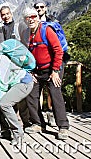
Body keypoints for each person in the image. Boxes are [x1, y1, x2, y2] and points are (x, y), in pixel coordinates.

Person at [0, 36, 34, 151]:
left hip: (23, 82)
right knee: (1, 102)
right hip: (15, 84)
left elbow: (4, 82)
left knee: (4, 103)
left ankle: (18, 134)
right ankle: (7, 131)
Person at [23, 8, 69, 140]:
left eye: (33, 16)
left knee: (55, 95)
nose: (31, 19)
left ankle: (63, 127)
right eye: (28, 17)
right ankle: (38, 124)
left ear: (37, 17)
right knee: (31, 95)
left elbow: (58, 51)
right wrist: (31, 71)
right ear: (25, 20)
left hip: (52, 69)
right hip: (38, 71)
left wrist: (55, 71)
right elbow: (29, 55)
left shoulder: (46, 30)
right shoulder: (28, 34)